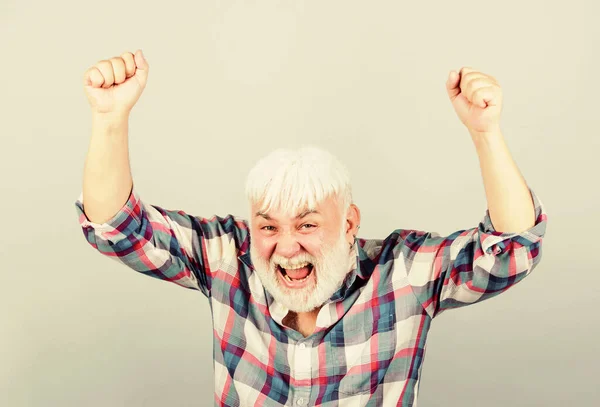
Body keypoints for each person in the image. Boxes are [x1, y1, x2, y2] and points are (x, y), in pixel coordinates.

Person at [75, 49, 547, 407]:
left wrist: (486, 132)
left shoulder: (403, 273)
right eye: (268, 226)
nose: (286, 247)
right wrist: (109, 120)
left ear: (349, 223)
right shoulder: (227, 256)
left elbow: (510, 251)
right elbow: (117, 227)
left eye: (306, 224)